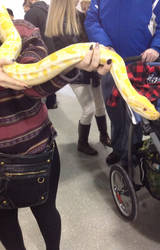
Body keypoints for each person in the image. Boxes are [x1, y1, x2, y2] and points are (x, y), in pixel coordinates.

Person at [0, 18, 111, 250]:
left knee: (46, 210)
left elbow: (33, 86)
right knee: (4, 221)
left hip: (35, 149)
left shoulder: (22, 30)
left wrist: (72, 63)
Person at [85, 0, 160, 165]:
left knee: (135, 114)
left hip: (139, 64)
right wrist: (105, 45)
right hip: (110, 65)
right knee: (114, 110)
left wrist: (156, 47)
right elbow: (92, 21)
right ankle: (118, 149)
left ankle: (132, 153)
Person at [45, 0, 111, 156]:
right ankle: (82, 143)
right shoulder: (59, 23)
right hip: (76, 74)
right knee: (89, 109)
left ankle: (104, 135)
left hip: (92, 71)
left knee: (100, 105)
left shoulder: (79, 17)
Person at [24, 0, 58, 109]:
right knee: (51, 81)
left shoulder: (31, 13)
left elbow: (29, 37)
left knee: (39, 86)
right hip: (54, 51)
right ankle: (52, 103)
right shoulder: (50, 11)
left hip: (40, 54)